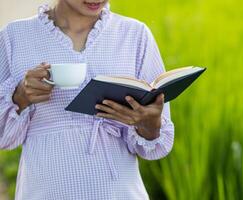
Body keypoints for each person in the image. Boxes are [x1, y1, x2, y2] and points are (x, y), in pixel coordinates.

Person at [0, 0, 175, 199]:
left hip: (118, 192)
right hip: (44, 192)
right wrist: (20, 96)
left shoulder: (135, 35)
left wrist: (149, 124)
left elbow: (156, 146)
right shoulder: (14, 37)